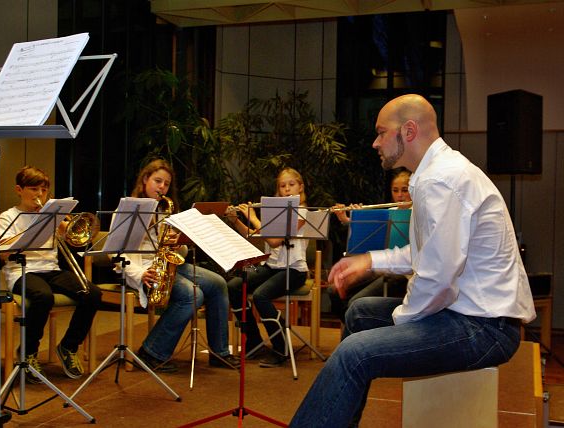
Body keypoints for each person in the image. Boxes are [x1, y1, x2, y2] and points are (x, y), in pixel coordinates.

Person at [290, 94, 536, 427]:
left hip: (485, 328)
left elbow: (437, 279)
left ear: (408, 131)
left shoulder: (441, 180)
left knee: (353, 354)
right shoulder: (437, 172)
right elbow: (424, 253)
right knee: (360, 313)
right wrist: (369, 261)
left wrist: (402, 321)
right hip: (466, 313)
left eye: (381, 133)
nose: (375, 143)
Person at [120, 159, 239, 372]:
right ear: (145, 179)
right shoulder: (129, 210)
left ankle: (219, 352)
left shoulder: (165, 210)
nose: (162, 187)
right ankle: (151, 352)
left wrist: (180, 244)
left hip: (169, 264)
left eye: (166, 184)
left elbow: (180, 253)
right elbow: (116, 253)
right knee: (191, 294)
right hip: (145, 270)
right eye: (158, 181)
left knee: (218, 283)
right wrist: (140, 274)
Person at [0, 166, 103, 384]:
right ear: (19, 190)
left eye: (43, 190)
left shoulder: (51, 216)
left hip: (51, 269)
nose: (39, 195)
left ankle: (68, 346)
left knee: (92, 293)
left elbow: (77, 240)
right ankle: (28, 353)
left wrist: (62, 223)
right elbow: (2, 252)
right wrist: (33, 230)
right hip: (22, 271)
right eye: (33, 189)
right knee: (43, 297)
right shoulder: (8, 216)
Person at [227, 167, 309, 368]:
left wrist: (253, 217)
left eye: (291, 184)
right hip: (272, 266)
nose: (287, 189)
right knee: (234, 286)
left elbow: (273, 241)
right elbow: (255, 235)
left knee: (261, 295)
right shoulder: (276, 212)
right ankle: (254, 341)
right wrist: (236, 220)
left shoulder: (302, 212)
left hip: (294, 270)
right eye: (282, 186)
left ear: (300, 187)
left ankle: (280, 347)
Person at [329, 167, 412, 322]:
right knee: (333, 292)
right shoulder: (388, 212)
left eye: (404, 190)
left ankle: (357, 329)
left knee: (356, 303)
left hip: (401, 273)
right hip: (379, 269)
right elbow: (369, 240)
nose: (400, 195)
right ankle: (353, 328)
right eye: (395, 190)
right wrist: (353, 219)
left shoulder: (416, 214)